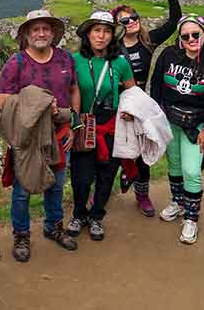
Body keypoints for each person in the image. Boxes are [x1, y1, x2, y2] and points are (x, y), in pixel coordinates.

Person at [0, 10, 80, 262]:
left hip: (61, 133)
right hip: (29, 137)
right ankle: (21, 233)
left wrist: (75, 123)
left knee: (56, 183)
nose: (41, 33)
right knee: (22, 189)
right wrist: (37, 104)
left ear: (53, 33)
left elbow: (74, 89)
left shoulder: (65, 59)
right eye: (35, 29)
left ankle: (53, 226)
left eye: (46, 29)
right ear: (27, 34)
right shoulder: (17, 63)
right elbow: (3, 100)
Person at [151, 14, 204, 245]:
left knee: (191, 170)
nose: (191, 39)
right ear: (180, 38)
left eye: (196, 34)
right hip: (170, 119)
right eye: (186, 36)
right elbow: (156, 85)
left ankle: (191, 218)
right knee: (174, 163)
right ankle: (178, 202)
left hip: (197, 124)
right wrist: (158, 117)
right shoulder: (168, 55)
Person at [111, 0, 181, 217]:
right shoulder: (113, 47)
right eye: (124, 21)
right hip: (116, 102)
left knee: (142, 149)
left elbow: (173, 22)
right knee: (113, 149)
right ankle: (106, 187)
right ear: (117, 25)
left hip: (140, 100)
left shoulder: (148, 41)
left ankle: (142, 194)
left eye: (133, 18)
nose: (130, 23)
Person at [67, 12, 136, 241]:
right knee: (82, 176)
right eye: (97, 30)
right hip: (83, 125)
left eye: (106, 31)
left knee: (106, 175)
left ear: (112, 36)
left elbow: (132, 91)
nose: (101, 36)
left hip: (111, 127)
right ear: (88, 34)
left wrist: (129, 111)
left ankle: (97, 216)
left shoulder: (120, 63)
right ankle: (79, 214)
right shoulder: (74, 60)